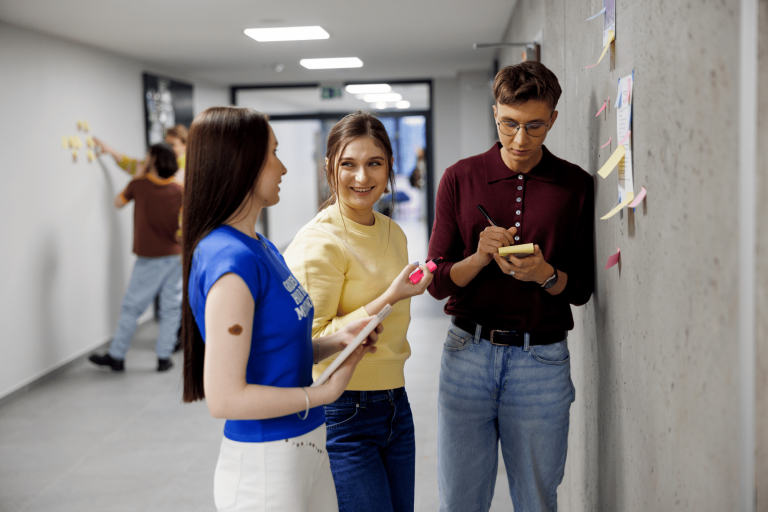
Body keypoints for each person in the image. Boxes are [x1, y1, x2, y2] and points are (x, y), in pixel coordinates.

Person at [181, 107, 382, 512]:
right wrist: (321, 392)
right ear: (243, 163)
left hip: (305, 450)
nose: (284, 167)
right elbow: (224, 399)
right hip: (266, 464)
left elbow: (271, 348)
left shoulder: (261, 246)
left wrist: (334, 342)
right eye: (273, 153)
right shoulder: (230, 262)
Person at [426, 61, 595, 512]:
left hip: (541, 361)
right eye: (509, 124)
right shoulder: (460, 178)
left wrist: (546, 275)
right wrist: (478, 258)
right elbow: (437, 282)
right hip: (466, 356)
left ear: (554, 119)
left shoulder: (576, 185)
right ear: (495, 111)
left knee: (537, 501)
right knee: (460, 500)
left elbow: (580, 288)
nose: (520, 140)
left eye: (535, 126)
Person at [284, 111, 433, 512]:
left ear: (389, 169)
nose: (362, 178)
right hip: (343, 409)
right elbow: (308, 344)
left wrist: (404, 292)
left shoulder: (392, 231)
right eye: (348, 164)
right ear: (329, 168)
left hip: (394, 403)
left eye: (374, 164)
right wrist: (390, 296)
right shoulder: (320, 242)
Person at [88, 143, 184, 372]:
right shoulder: (180, 190)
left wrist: (139, 174)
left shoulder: (138, 185)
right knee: (171, 309)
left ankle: (117, 356)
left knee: (132, 308)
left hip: (149, 258)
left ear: (153, 161)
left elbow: (118, 203)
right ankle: (164, 357)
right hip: (175, 258)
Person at [94, 124, 188, 186]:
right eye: (166, 144)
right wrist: (110, 150)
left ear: (185, 145)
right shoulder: (159, 161)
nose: (168, 148)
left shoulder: (189, 166)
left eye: (172, 145)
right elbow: (132, 165)